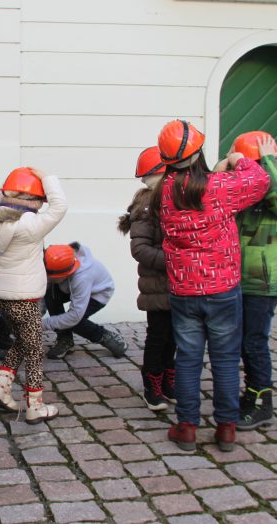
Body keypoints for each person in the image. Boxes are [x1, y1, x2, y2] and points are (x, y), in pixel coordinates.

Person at [157, 120, 269, 453]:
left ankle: (187, 427)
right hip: (222, 289)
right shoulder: (220, 186)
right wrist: (236, 159)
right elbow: (260, 180)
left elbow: (193, 187)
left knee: (188, 359)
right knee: (224, 359)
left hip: (184, 290)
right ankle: (226, 429)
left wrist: (219, 171)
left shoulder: (164, 190)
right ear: (198, 152)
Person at [0, 167, 67, 424]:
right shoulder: (31, 224)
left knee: (24, 342)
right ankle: (35, 406)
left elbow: (0, 199)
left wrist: (6, 190)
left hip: (4, 295)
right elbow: (60, 206)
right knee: (35, 350)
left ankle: (0, 388)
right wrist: (47, 177)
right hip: (25, 297)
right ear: (34, 200)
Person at [231, 132, 277, 431]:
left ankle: (261, 403)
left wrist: (266, 160)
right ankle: (249, 395)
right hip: (235, 279)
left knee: (254, 342)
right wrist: (229, 164)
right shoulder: (244, 188)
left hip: (263, 281)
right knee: (240, 342)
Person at [118, 146, 176, 411]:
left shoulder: (174, 199)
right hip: (157, 286)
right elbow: (140, 249)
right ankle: (152, 384)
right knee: (158, 336)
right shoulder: (146, 205)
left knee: (175, 337)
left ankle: (168, 380)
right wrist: (175, 261)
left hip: (178, 284)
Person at [42, 243, 127, 359]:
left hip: (98, 292)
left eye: (49, 276)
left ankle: (107, 337)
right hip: (67, 285)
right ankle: (65, 339)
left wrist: (41, 325)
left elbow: (74, 316)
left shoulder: (82, 277)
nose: (46, 277)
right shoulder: (56, 258)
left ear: (65, 273)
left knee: (76, 322)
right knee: (50, 294)